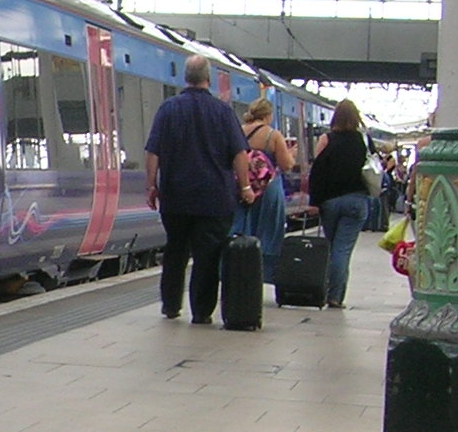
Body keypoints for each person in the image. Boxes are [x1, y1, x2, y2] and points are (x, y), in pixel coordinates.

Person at [143, 57, 251, 322]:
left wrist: (151, 185)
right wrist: (245, 186)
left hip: (176, 197)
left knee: (175, 250)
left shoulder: (168, 109)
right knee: (208, 256)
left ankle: (171, 305)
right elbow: (239, 154)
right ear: (208, 78)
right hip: (215, 199)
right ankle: (201, 312)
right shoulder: (223, 112)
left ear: (185, 77)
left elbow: (153, 152)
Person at [306, 98, 376, 309]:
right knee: (342, 250)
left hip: (330, 202)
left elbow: (316, 172)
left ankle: (326, 291)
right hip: (356, 201)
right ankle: (335, 297)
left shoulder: (326, 139)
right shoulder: (363, 140)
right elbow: (374, 165)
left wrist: (314, 201)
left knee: (331, 247)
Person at [236, 98, 294, 252]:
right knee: (269, 233)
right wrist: (291, 154)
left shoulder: (238, 131)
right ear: (268, 115)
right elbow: (286, 165)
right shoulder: (272, 135)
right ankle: (266, 264)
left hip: (242, 185)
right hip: (268, 187)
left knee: (244, 228)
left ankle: (244, 262)